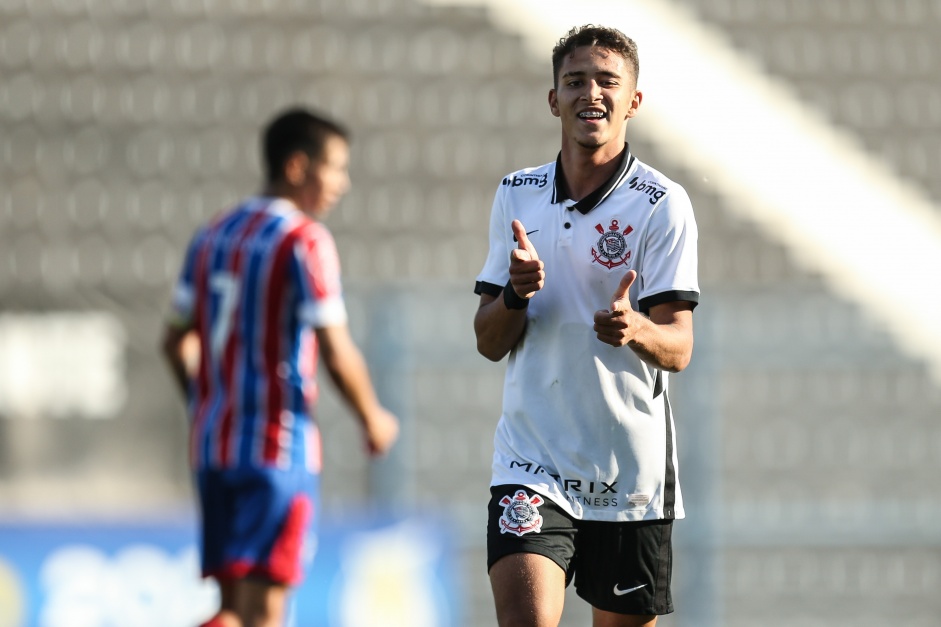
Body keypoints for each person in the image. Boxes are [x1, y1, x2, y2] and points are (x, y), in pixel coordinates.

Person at [473, 25, 700, 627]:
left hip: (628, 476)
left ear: (634, 101)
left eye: (607, 81)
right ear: (554, 99)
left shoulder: (661, 203)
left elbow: (678, 348)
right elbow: (487, 341)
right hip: (531, 464)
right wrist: (515, 297)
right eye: (574, 81)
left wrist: (636, 329)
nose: (590, 93)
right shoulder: (516, 195)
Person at [161, 107, 399, 627]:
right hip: (276, 448)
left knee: (229, 611)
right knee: (264, 613)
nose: (343, 182)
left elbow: (175, 341)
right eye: (335, 168)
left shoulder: (212, 236)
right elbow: (335, 350)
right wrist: (371, 416)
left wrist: (206, 403)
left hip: (212, 450)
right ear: (297, 167)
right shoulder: (304, 241)